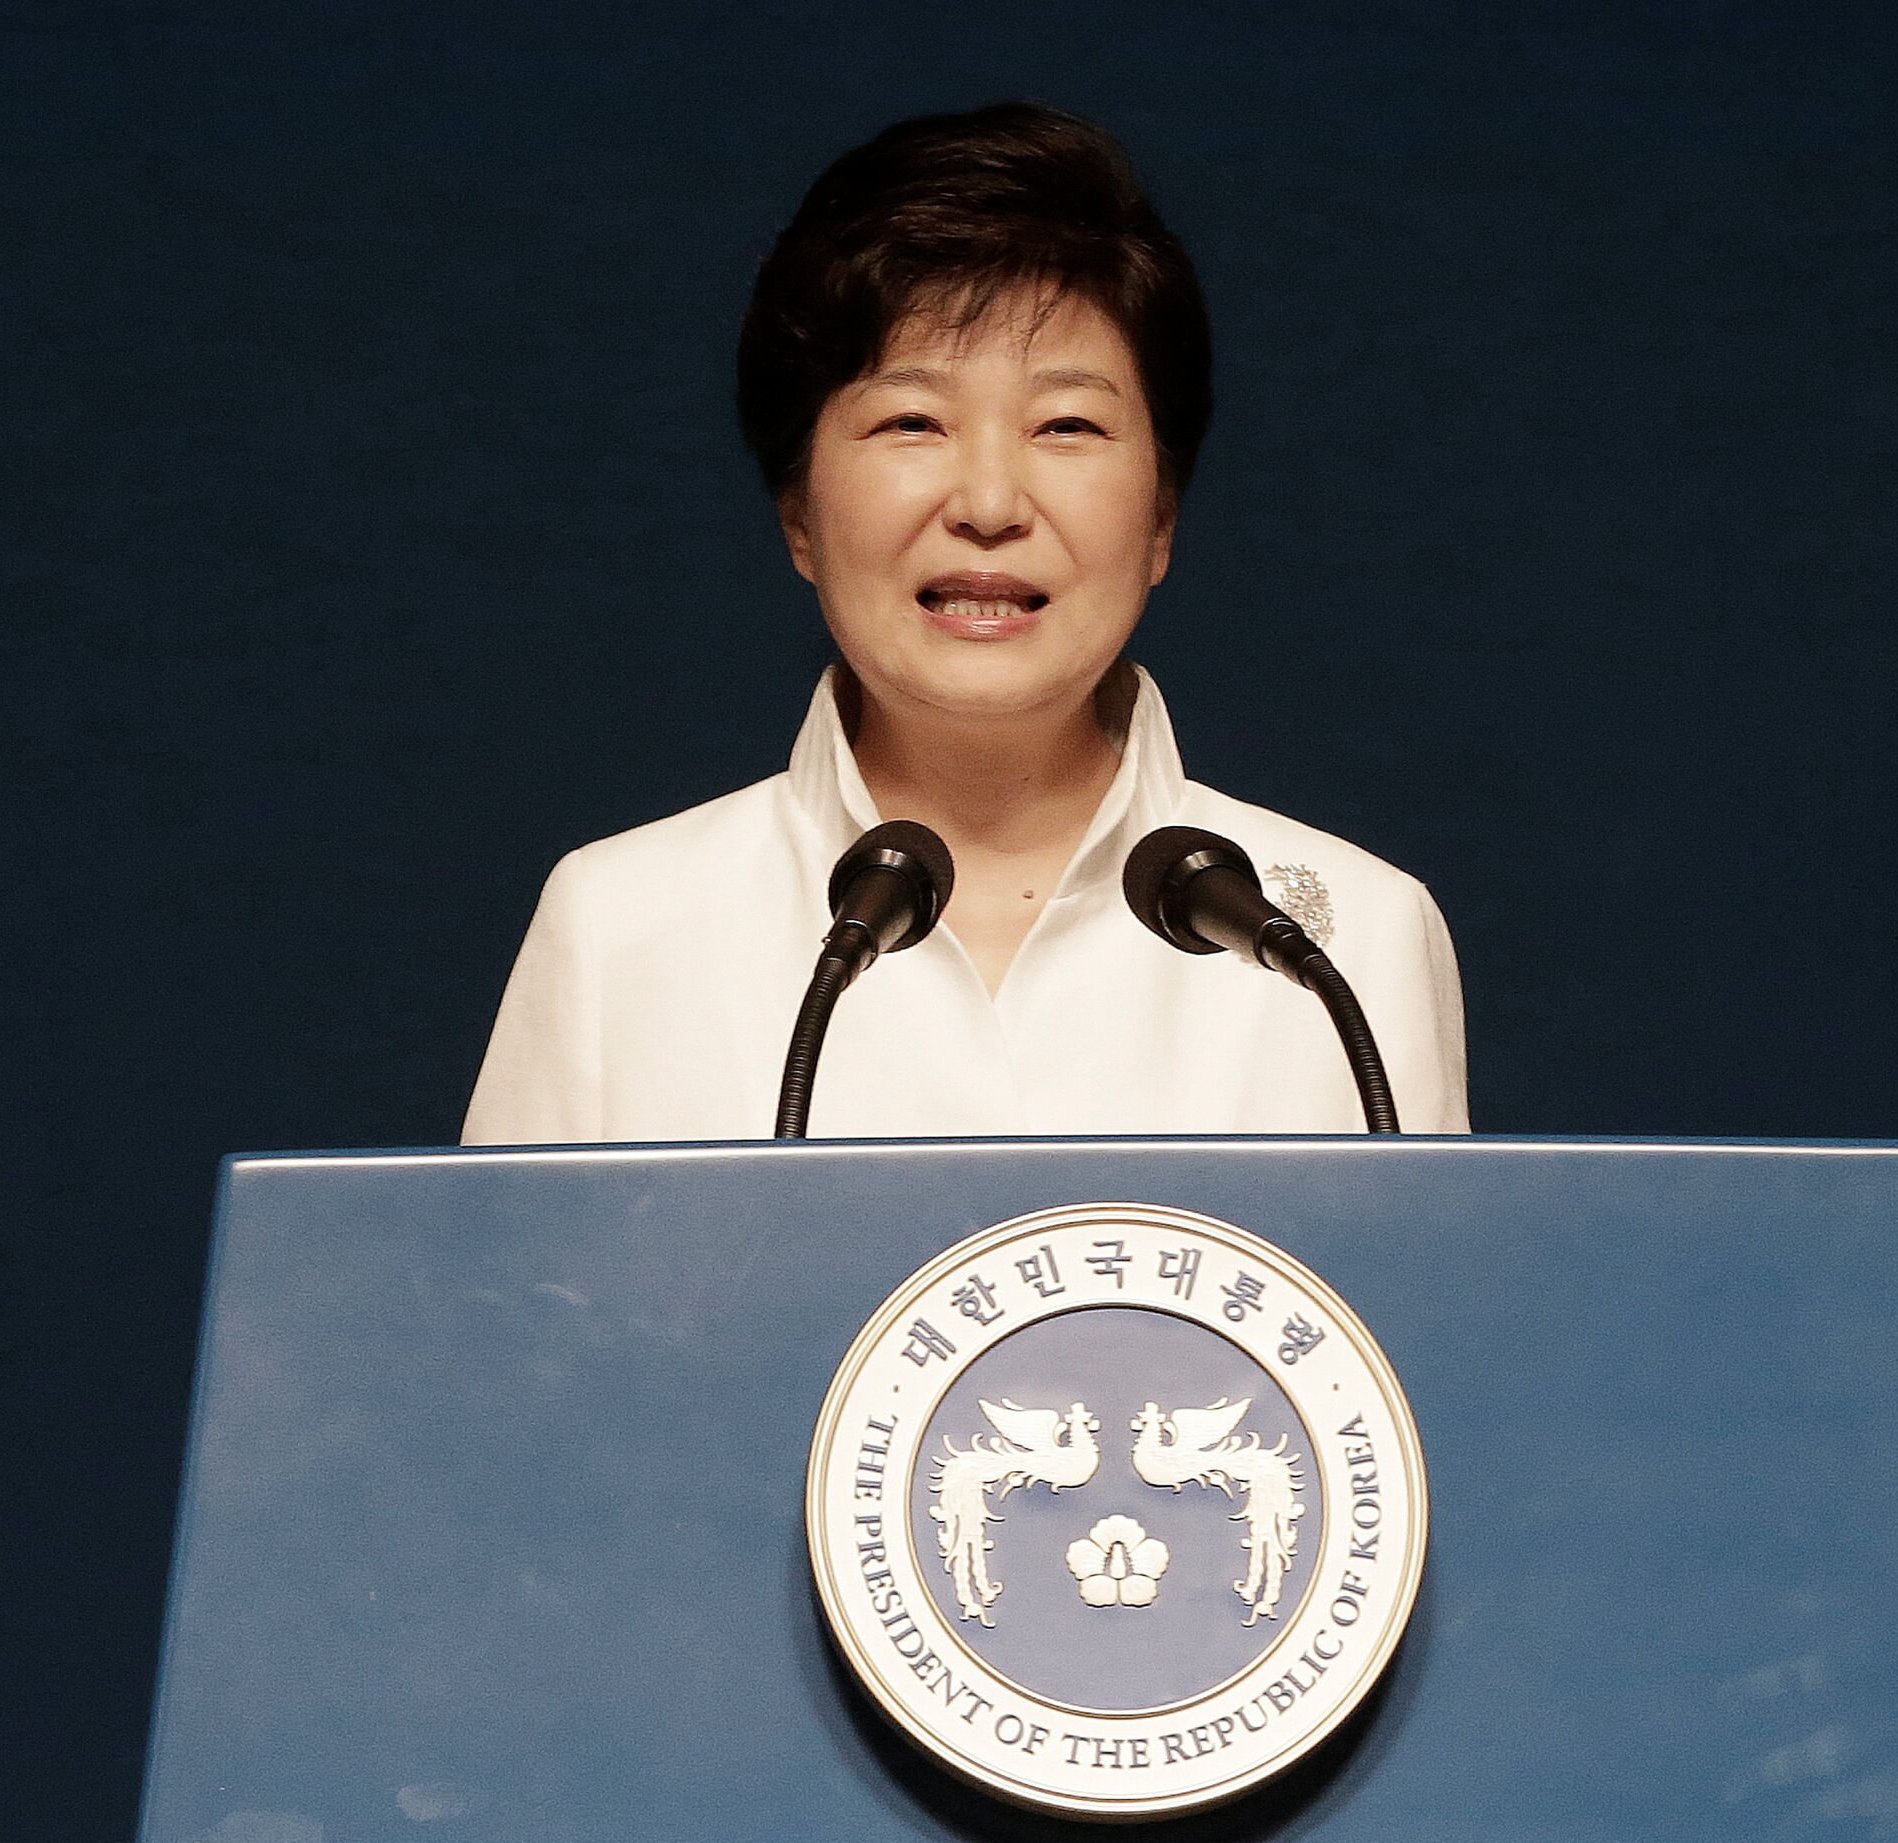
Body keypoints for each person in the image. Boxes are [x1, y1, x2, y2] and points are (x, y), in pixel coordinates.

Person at [462, 103, 1468, 1145]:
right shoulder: (621, 928)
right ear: (799, 515)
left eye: (1066, 424)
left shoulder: (1348, 941)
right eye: (913, 421)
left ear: (1161, 519)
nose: (990, 503)